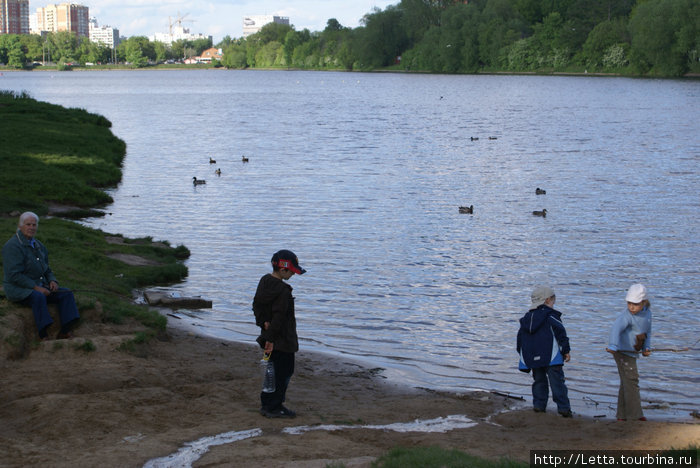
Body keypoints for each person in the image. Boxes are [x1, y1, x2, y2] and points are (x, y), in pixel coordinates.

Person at [2, 212, 80, 340]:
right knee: (38, 297)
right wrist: (36, 288)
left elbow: (47, 269)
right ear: (20, 226)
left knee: (66, 293)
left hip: (40, 286)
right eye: (28, 224)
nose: (32, 227)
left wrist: (52, 281)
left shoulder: (39, 245)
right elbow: (14, 276)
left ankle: (65, 331)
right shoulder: (12, 246)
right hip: (18, 289)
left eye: (34, 225)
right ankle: (43, 334)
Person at [252, 249, 306, 418]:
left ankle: (267, 403)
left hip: (270, 337)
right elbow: (280, 318)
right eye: (292, 271)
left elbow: (256, 305)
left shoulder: (264, 281)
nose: (293, 275)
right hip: (282, 341)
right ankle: (275, 406)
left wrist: (263, 324)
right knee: (284, 372)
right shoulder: (283, 291)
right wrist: (270, 338)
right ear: (283, 269)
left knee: (271, 371)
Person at [517, 286, 572, 417]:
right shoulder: (551, 315)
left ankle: (539, 405)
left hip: (533, 356)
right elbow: (561, 333)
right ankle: (564, 408)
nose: (553, 305)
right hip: (551, 356)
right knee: (557, 382)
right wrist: (566, 350)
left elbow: (520, 339)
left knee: (539, 381)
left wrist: (522, 355)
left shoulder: (526, 319)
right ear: (548, 300)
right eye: (553, 301)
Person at [606, 283, 652, 422]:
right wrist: (613, 345)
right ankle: (635, 415)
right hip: (622, 352)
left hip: (633, 352)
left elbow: (647, 332)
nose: (631, 307)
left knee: (626, 382)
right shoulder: (626, 316)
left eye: (635, 304)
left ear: (643, 303)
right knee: (632, 381)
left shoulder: (647, 314)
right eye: (629, 303)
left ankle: (622, 415)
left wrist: (646, 347)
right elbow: (615, 329)